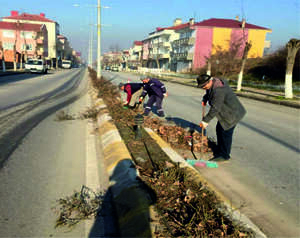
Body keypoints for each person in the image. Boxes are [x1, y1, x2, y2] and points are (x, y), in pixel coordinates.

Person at [197, 74, 246, 162]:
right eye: (202, 87)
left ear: (209, 81)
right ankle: (220, 149)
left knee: (225, 132)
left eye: (204, 86)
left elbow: (215, 108)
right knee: (219, 129)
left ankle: (224, 155)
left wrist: (205, 121)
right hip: (226, 111)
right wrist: (205, 98)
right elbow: (209, 93)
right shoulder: (213, 84)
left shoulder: (219, 90)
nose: (203, 88)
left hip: (231, 113)